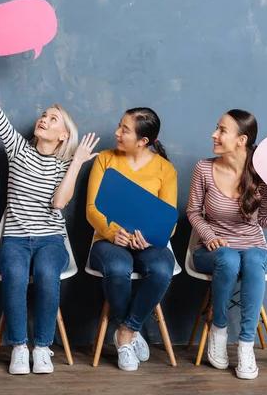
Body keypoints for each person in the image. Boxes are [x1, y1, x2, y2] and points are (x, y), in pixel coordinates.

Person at [0, 36, 99, 375]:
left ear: (63, 135)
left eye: (53, 119)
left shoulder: (63, 166)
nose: (44, 119)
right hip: (14, 239)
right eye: (44, 115)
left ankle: (42, 348)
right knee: (14, 273)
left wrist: (77, 163)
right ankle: (18, 347)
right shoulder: (18, 149)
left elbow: (59, 204)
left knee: (47, 273)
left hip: (50, 240)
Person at [187, 109, 267, 379]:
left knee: (253, 259)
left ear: (241, 140)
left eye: (222, 130)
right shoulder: (204, 168)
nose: (214, 134)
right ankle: (218, 332)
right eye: (217, 127)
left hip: (253, 248)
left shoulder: (262, 174)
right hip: (212, 251)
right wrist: (210, 237)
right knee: (229, 258)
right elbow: (194, 213)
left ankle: (246, 345)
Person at [86, 107, 178, 371]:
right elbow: (92, 209)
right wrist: (114, 233)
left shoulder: (165, 169)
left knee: (162, 269)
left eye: (124, 130)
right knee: (117, 268)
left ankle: (125, 332)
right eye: (119, 126)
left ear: (143, 141)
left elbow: (168, 220)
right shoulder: (105, 159)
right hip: (107, 240)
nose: (116, 133)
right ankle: (132, 334)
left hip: (147, 243)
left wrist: (148, 239)